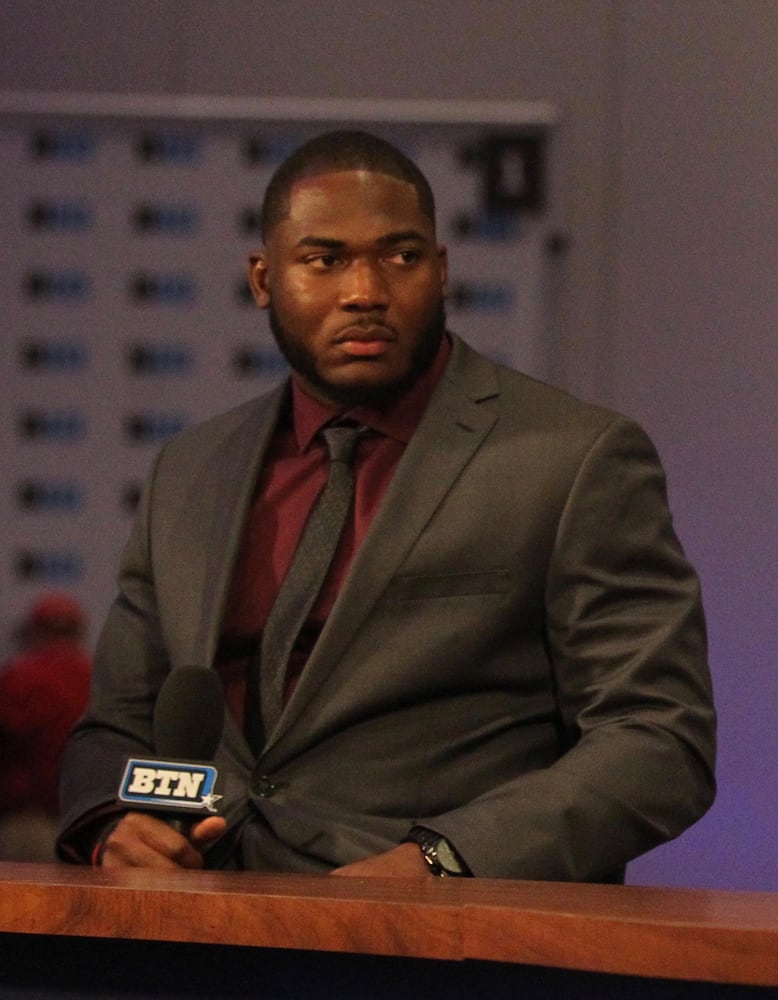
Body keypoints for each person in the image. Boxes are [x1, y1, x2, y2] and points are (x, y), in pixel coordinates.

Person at [55, 130, 716, 881]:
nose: (365, 291)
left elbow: (660, 740)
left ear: (440, 272)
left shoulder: (573, 459)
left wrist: (443, 861)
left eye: (400, 257)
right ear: (264, 278)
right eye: (325, 259)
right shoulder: (190, 469)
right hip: (202, 922)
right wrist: (115, 823)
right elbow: (115, 722)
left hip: (448, 944)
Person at [0, 594, 93, 861]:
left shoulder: (18, 677)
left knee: (22, 903)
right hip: (86, 824)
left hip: (28, 822)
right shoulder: (97, 678)